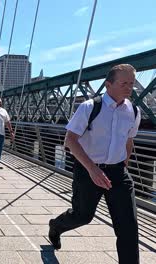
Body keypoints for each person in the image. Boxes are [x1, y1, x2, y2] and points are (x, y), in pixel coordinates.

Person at [48, 64, 141, 264]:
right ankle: (56, 226)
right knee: (83, 216)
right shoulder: (89, 107)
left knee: (128, 228)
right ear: (108, 85)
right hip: (88, 169)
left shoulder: (133, 111)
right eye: (124, 83)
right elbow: (70, 140)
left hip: (118, 173)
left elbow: (128, 140)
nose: (129, 88)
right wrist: (92, 169)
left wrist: (123, 165)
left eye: (131, 83)